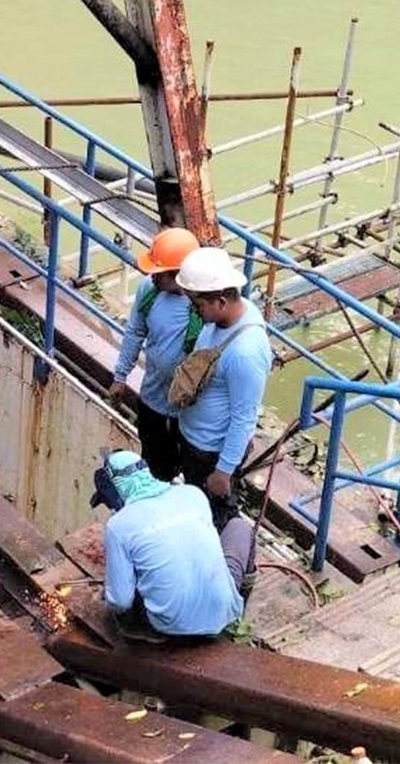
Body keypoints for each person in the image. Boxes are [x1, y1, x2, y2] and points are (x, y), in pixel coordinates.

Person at [95, 449, 254, 641]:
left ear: (115, 490)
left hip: (169, 627)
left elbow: (120, 602)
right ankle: (238, 609)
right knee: (240, 527)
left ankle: (142, 635)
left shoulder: (119, 526)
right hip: (223, 614)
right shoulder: (193, 495)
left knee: (126, 589)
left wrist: (107, 592)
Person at [172, 246, 273, 528]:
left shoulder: (246, 352)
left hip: (211, 454)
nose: (195, 311)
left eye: (198, 305)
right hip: (193, 441)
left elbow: (245, 417)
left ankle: (234, 567)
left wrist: (223, 471)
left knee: (219, 521)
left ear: (221, 301)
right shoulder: (221, 320)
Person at [108, 227, 203, 481]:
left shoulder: (204, 307)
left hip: (189, 414)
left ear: (179, 274)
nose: (152, 276)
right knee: (154, 470)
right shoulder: (149, 291)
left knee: (190, 480)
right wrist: (120, 376)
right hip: (152, 403)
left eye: (159, 273)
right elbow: (135, 332)